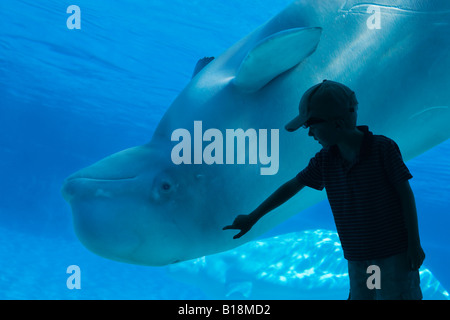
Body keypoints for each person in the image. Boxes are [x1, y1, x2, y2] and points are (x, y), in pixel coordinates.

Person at [223, 80, 425, 300]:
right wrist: (254, 217)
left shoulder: (382, 149)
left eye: (311, 125)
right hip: (359, 256)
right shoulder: (325, 160)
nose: (310, 134)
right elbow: (293, 186)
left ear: (337, 124)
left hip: (393, 253)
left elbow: (405, 194)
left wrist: (414, 244)